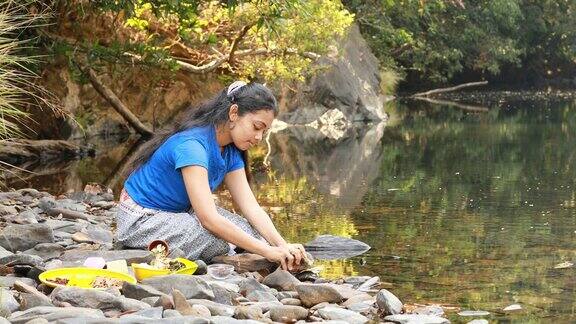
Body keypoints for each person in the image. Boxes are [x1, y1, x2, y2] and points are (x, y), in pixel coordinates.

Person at [115, 81, 306, 271]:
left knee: (252, 232)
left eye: (264, 132)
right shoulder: (193, 147)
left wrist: (282, 245)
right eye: (256, 127)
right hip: (141, 218)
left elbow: (251, 208)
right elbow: (209, 219)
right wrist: (267, 252)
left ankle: (237, 254)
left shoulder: (231, 150)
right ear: (233, 113)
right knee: (216, 240)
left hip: (180, 213)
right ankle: (229, 259)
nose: (258, 137)